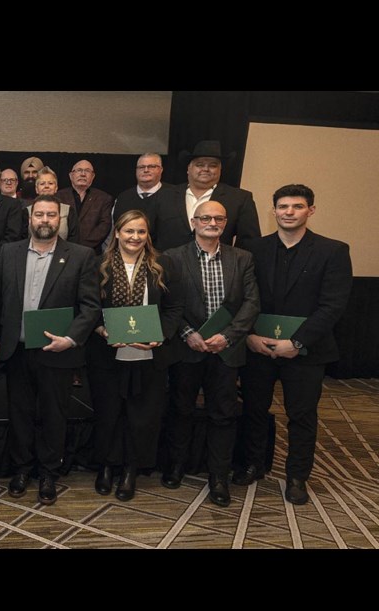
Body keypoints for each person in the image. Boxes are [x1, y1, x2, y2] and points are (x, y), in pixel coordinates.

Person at [235, 184, 353, 505]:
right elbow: (241, 297)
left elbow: (332, 306)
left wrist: (297, 342)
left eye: (297, 207)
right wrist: (248, 336)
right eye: (283, 206)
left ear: (310, 211)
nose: (289, 212)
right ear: (273, 211)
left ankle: (297, 476)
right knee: (254, 409)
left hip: (306, 351)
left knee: (301, 416)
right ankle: (253, 464)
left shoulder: (333, 251)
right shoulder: (252, 250)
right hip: (258, 346)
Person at [0, 195, 101, 504]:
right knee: (20, 414)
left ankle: (49, 473)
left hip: (58, 351)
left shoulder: (81, 255)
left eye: (52, 214)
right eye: (40, 214)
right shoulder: (9, 253)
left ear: (60, 220)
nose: (46, 220)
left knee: (54, 415)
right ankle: (22, 469)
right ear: (30, 219)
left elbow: (91, 308)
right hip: (17, 350)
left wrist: (72, 339)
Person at [161, 201, 260, 507]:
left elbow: (251, 303)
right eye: (206, 217)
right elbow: (168, 306)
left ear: (226, 222)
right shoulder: (173, 258)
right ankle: (176, 465)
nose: (212, 222)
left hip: (225, 351)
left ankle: (218, 476)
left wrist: (228, 336)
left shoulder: (242, 258)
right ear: (194, 221)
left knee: (223, 415)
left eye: (218, 218)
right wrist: (188, 334)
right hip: (186, 348)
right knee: (181, 410)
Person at [86, 210, 184, 501]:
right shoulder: (97, 265)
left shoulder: (162, 264)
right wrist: (101, 330)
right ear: (117, 233)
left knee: (142, 415)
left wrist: (161, 335)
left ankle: (131, 469)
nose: (135, 237)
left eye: (141, 232)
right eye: (129, 231)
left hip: (149, 354)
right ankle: (107, 465)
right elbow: (87, 306)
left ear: (148, 235)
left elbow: (175, 308)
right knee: (109, 413)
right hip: (106, 353)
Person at [176, 140, 260, 247]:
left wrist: (236, 262)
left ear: (220, 169)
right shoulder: (164, 196)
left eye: (213, 165)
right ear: (189, 168)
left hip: (220, 262)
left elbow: (249, 241)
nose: (206, 169)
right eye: (199, 164)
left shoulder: (240, 199)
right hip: (170, 262)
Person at [111, 153, 188, 252]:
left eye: (151, 166)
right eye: (141, 167)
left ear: (161, 170)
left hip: (166, 257)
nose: (146, 170)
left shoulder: (176, 195)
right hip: (129, 255)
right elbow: (116, 230)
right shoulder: (123, 198)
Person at [58, 159, 113, 254]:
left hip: (91, 253)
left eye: (87, 171)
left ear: (93, 176)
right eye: (79, 170)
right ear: (71, 176)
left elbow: (104, 226)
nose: (83, 174)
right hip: (62, 251)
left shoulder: (103, 198)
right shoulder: (58, 197)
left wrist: (81, 247)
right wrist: (67, 246)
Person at [23, 166, 78, 244]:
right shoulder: (26, 211)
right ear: (36, 189)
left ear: (56, 188)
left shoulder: (69, 211)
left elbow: (74, 241)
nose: (46, 186)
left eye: (50, 183)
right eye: (42, 183)